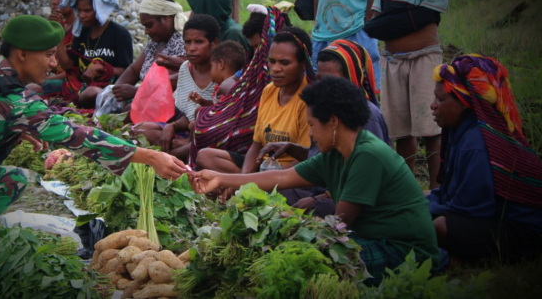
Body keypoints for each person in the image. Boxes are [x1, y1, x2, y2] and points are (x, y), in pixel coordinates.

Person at [0, 15, 187, 274]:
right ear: (22, 55)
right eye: (48, 55)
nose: (54, 64)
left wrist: (8, 133)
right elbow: (78, 136)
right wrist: (147, 156)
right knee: (11, 180)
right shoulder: (16, 103)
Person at [188, 77, 439, 286]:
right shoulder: (332, 154)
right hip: (371, 239)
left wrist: (287, 223)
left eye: (311, 125)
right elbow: (281, 176)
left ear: (333, 122)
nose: (308, 133)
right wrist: (220, 178)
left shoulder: (367, 155)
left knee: (308, 262)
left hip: (404, 252)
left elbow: (339, 225)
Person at [426, 55, 542, 266]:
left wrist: (421, 211)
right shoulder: (458, 130)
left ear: (464, 104)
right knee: (420, 200)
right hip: (489, 215)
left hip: (525, 231)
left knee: (438, 226)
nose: (433, 106)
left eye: (441, 99)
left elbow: (473, 210)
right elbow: (449, 192)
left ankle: (461, 261)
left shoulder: (477, 144)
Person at [366, 0, 448, 188]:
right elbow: (373, 22)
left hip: (424, 60)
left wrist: (390, 21)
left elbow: (428, 15)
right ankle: (407, 187)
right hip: (393, 61)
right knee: (400, 129)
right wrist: (406, 17)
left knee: (430, 127)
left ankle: (436, 189)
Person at [269, 39, 389, 216]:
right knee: (271, 193)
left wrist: (320, 198)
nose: (323, 86)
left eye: (330, 80)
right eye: (319, 79)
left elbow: (365, 178)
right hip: (320, 187)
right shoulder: (322, 109)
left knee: (310, 212)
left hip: (349, 195)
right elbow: (323, 159)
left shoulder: (367, 116)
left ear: (349, 78)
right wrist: (293, 149)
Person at [195, 27, 315, 177]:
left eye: (284, 63)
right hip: (263, 167)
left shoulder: (309, 98)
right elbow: (257, 145)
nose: (275, 69)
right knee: (205, 156)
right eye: (272, 61)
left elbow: (306, 160)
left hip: (288, 173)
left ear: (303, 64)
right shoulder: (269, 90)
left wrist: (249, 181)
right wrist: (245, 178)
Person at [188, 6, 288, 168]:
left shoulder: (283, 83)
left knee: (209, 136)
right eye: (253, 48)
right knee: (202, 121)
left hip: (275, 162)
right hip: (257, 148)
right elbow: (229, 85)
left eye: (260, 47)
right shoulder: (255, 66)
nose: (258, 54)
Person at [137, 14, 220, 161]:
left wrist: (189, 139)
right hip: (188, 131)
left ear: (214, 43)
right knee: (141, 130)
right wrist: (172, 127)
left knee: (203, 147)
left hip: (211, 135)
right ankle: (178, 153)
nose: (192, 48)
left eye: (199, 42)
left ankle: (170, 157)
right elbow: (186, 114)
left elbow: (219, 119)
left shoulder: (221, 73)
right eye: (188, 42)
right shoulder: (184, 68)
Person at [57, 0, 134, 107]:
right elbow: (68, 66)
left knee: (91, 93)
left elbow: (128, 71)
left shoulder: (119, 34)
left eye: (87, 11)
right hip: (80, 86)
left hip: (107, 89)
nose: (81, 16)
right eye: (79, 10)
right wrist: (57, 35)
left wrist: (101, 68)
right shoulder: (81, 32)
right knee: (37, 87)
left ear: (100, 9)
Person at [112, 0, 187, 106]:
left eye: (149, 26)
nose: (146, 32)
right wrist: (115, 91)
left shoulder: (181, 42)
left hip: (166, 104)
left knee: (128, 109)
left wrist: (136, 92)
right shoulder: (156, 42)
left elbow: (167, 83)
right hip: (145, 98)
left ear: (166, 18)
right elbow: (134, 70)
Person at [183, 0, 250, 53]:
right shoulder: (207, 31)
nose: (191, 14)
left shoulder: (233, 33)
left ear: (207, 7)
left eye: (195, 8)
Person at [189, 40, 245, 107]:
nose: (210, 71)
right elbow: (215, 106)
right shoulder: (221, 88)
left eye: (211, 66)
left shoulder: (229, 90)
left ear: (221, 64)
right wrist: (202, 101)